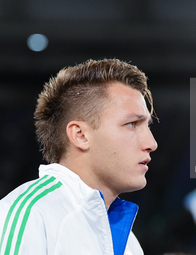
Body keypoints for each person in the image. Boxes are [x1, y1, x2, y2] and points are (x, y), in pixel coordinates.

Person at [0, 58, 158, 255]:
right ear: (80, 135)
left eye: (147, 126)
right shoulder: (29, 214)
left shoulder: (130, 245)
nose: (151, 143)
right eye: (132, 124)